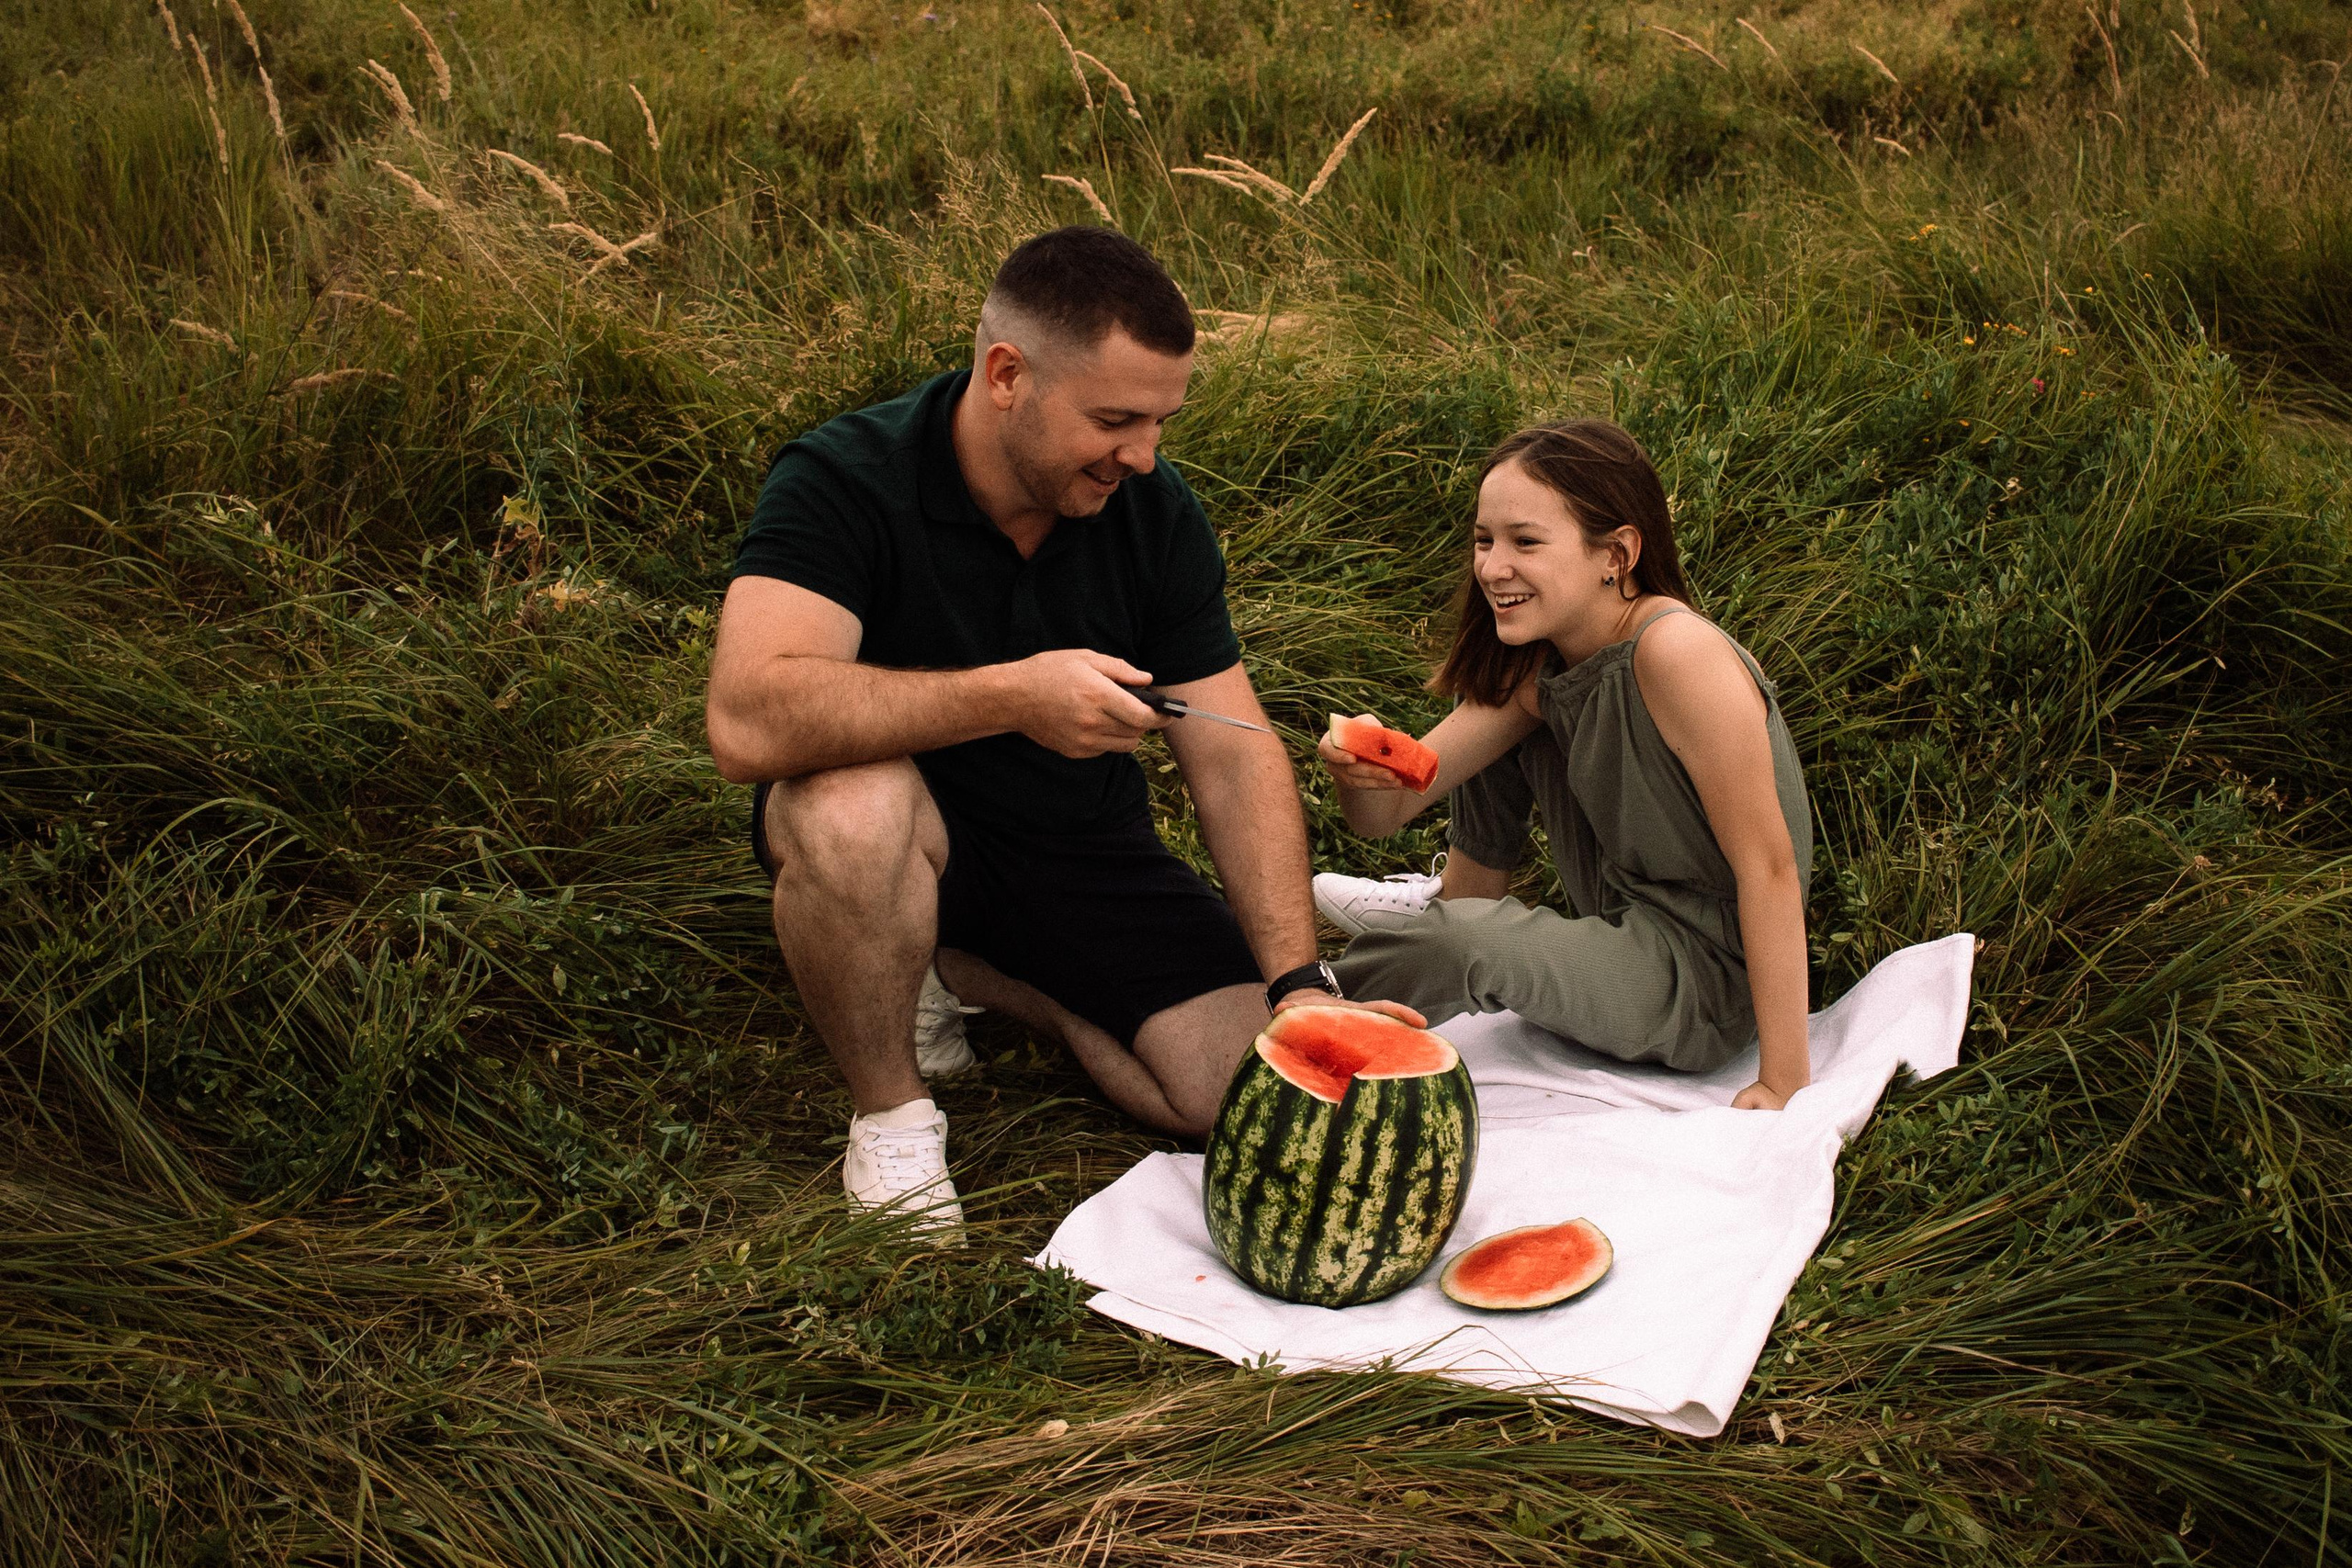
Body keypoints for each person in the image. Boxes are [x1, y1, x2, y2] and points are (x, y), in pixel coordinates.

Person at [706, 228, 1408, 1239]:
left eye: (1162, 421)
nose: (1143, 455)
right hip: (901, 827)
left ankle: (953, 967)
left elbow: (1232, 748)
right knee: (854, 807)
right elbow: (745, 717)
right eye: (1115, 419)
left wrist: (1297, 985)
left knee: (1237, 1100)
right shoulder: (843, 477)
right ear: (1006, 375)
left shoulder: (1154, 512)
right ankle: (893, 1111)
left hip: (1082, 849)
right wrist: (1010, 696)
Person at [1307, 420, 1815, 1110]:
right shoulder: (1545, 666)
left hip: (1704, 984)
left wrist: (1783, 1081)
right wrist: (1355, 769)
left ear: (1617, 554)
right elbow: (1386, 812)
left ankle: (1305, 1007)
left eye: (1526, 542)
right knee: (1502, 705)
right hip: (1623, 920)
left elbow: (1771, 868)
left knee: (1470, 944)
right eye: (1484, 540)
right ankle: (1455, 900)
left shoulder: (1678, 655)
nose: (1492, 566)